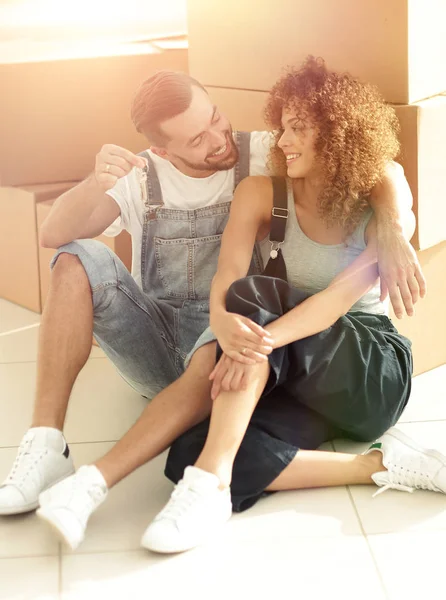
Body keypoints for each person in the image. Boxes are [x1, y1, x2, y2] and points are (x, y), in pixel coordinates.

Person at [0, 70, 425, 551]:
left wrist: (393, 223)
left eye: (216, 119)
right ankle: (46, 444)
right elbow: (54, 233)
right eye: (197, 138)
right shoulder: (147, 174)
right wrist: (94, 181)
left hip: (287, 346)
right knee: (78, 260)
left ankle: (171, 482)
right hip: (214, 345)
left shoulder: (266, 152)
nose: (219, 138)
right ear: (162, 151)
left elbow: (378, 170)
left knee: (253, 298)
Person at [140, 57, 445, 555]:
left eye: (299, 128)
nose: (281, 141)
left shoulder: (380, 217)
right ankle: (376, 466)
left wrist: (248, 345)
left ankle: (211, 483)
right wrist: (245, 340)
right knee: (186, 454)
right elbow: (233, 280)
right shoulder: (268, 194)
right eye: (282, 127)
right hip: (299, 372)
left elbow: (329, 307)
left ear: (340, 131)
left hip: (370, 371)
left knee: (253, 298)